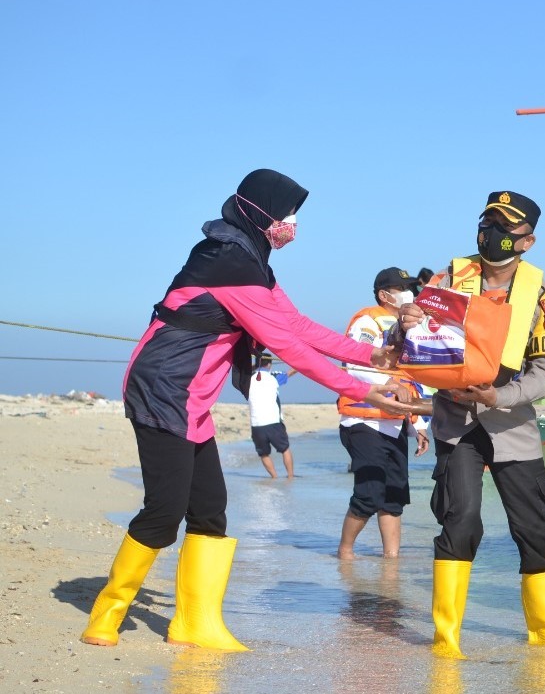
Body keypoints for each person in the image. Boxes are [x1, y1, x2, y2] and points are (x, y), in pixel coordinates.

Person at [80, 169, 412, 651]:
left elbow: (295, 323)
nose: (292, 225)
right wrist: (360, 390)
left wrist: (370, 356)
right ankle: (106, 615)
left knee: (211, 511)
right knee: (164, 510)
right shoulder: (229, 262)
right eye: (288, 215)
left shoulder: (251, 260)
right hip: (162, 389)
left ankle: (195, 623)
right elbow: (287, 346)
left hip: (191, 397)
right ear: (262, 213)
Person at [396, 191, 545, 656]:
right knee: (460, 522)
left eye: (504, 228)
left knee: (536, 530)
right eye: (487, 223)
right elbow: (411, 345)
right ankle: (445, 641)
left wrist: (501, 395)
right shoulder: (448, 279)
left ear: (527, 242)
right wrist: (405, 322)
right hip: (457, 424)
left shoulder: (544, 295)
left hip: (512, 423)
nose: (491, 234)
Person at [336, 267, 430, 560]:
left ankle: (391, 562)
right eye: (403, 288)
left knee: (394, 496)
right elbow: (355, 363)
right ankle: (345, 552)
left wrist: (419, 424)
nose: (409, 294)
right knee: (369, 493)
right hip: (363, 420)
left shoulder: (413, 326)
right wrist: (387, 385)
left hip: (394, 422)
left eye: (410, 288)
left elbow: (414, 379)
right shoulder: (368, 320)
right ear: (384, 294)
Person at [247, 353, 297, 479]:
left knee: (263, 454)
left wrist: (256, 365)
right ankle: (290, 477)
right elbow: (290, 372)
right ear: (269, 364)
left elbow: (248, 369)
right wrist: (302, 362)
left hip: (256, 423)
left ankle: (274, 478)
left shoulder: (248, 378)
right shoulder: (272, 377)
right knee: (285, 449)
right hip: (273, 421)